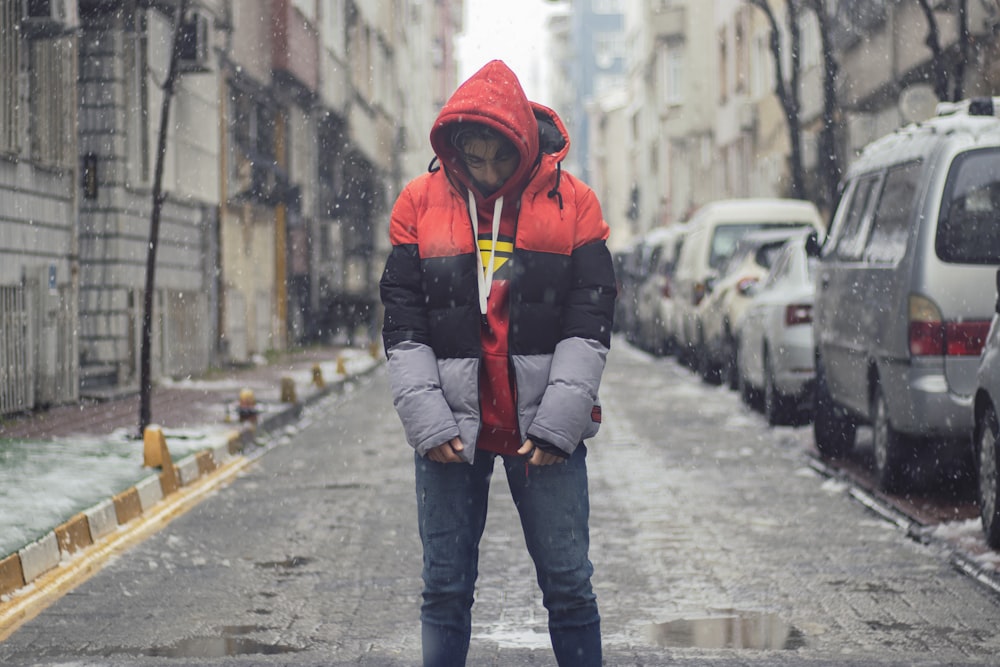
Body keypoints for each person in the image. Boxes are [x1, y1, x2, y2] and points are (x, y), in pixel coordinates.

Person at [379, 59, 616, 666]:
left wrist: (560, 423)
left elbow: (588, 322)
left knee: (568, 587)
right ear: (454, 147)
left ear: (522, 145)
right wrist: (427, 423)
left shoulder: (575, 206)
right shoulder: (418, 204)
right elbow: (404, 326)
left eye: (499, 159)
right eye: (473, 159)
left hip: (543, 432)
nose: (485, 174)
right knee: (446, 591)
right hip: (452, 434)